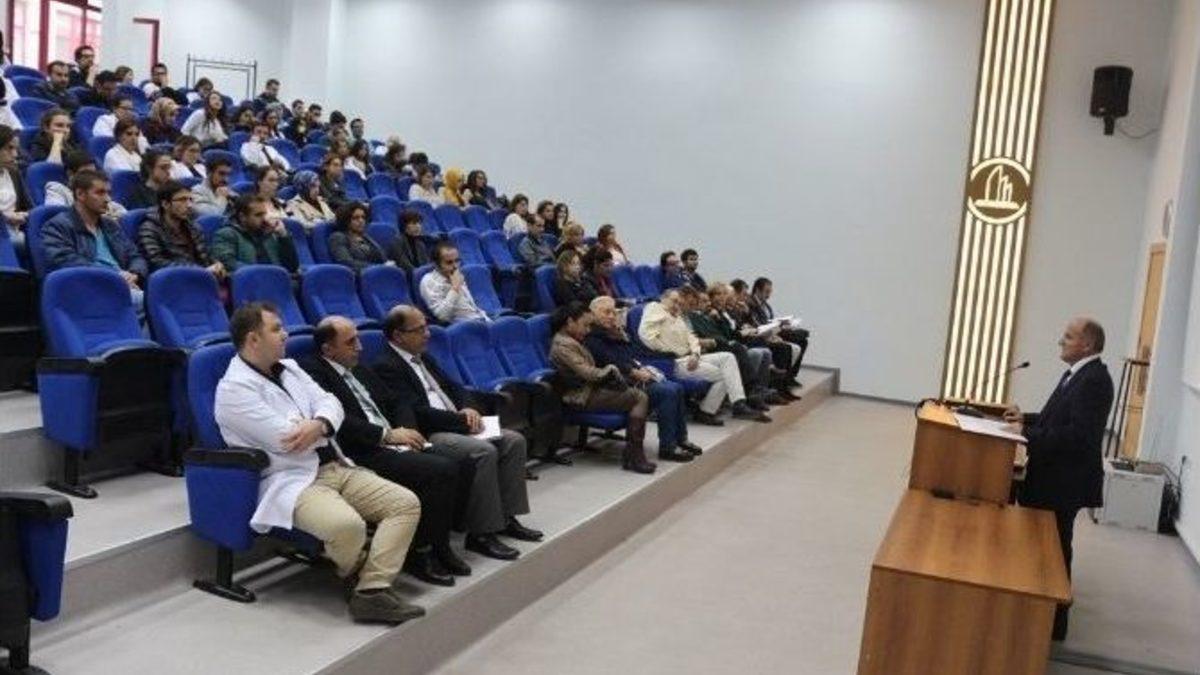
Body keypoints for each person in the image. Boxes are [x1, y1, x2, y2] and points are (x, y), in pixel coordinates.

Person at [214, 303, 425, 624]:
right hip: (293, 480)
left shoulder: (290, 368)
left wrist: (320, 423)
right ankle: (360, 572)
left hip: (334, 465)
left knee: (405, 504)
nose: (285, 334)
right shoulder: (233, 391)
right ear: (253, 339)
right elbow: (286, 439)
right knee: (347, 526)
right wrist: (324, 424)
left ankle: (371, 590)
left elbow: (331, 402)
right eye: (276, 329)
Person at [300, 316, 472, 586]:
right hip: (362, 449)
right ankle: (421, 552)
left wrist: (406, 429)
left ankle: (440, 543)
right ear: (328, 349)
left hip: (393, 440)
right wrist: (386, 435)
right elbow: (340, 422)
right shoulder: (314, 373)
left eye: (358, 339)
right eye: (350, 342)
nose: (359, 347)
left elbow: (397, 401)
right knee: (440, 470)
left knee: (463, 461)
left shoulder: (358, 368)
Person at [373, 305, 541, 560]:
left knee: (513, 441)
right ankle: (481, 533)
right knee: (482, 452)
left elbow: (456, 387)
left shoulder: (423, 357)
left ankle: (506, 518)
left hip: (456, 421)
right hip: (431, 431)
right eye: (419, 329)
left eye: (426, 327)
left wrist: (468, 407)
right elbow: (416, 412)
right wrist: (461, 421)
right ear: (398, 335)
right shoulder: (386, 366)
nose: (428, 334)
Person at [1003, 318, 1114, 642]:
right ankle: (1042, 614)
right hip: (1053, 477)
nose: (1060, 341)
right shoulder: (1077, 374)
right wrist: (1025, 419)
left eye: (1068, 337)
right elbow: (1056, 419)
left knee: (1054, 551)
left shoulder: (1093, 381)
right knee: (1047, 548)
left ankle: (1054, 623)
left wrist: (1026, 433)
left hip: (1064, 482)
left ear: (1087, 345)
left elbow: (1078, 437)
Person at [586, 296, 701, 462]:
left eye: (614, 312)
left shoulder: (613, 333)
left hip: (631, 375)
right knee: (667, 391)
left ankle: (681, 439)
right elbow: (607, 360)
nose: (611, 316)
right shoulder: (592, 337)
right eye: (606, 312)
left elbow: (630, 355)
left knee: (677, 388)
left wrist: (623, 340)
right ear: (593, 314)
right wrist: (633, 371)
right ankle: (668, 447)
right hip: (616, 383)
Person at [548, 302, 657, 473]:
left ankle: (633, 454)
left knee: (637, 394)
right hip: (581, 396)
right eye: (585, 325)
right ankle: (634, 455)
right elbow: (588, 373)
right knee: (639, 397)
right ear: (570, 322)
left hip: (590, 390)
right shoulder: (563, 346)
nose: (588, 330)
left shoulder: (572, 340)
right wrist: (610, 369)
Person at [638, 289, 770, 423]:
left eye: (679, 303)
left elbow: (692, 338)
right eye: (674, 301)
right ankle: (707, 411)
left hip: (690, 357)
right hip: (673, 361)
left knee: (728, 357)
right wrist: (669, 348)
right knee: (725, 374)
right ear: (663, 299)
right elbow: (646, 336)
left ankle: (738, 403)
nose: (677, 305)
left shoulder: (677, 317)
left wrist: (695, 354)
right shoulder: (654, 310)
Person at [41, 170, 148, 314]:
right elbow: (66, 261)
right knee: (153, 303)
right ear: (80, 194)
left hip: (124, 285)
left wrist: (134, 274)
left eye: (108, 193)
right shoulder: (57, 226)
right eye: (100, 193)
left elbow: (135, 256)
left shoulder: (110, 225)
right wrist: (115, 275)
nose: (108, 199)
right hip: (91, 288)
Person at [687, 285, 781, 407]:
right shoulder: (696, 317)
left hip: (724, 343)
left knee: (758, 349)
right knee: (742, 348)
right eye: (704, 301)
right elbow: (718, 335)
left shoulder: (712, 315)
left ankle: (758, 390)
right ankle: (751, 391)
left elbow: (725, 333)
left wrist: (721, 319)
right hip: (713, 347)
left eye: (724, 294)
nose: (708, 303)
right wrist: (725, 334)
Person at [136, 180, 225, 279]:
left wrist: (216, 264)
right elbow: (157, 263)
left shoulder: (193, 226)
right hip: (175, 281)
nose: (189, 205)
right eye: (182, 200)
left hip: (202, 277)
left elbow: (206, 254)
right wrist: (200, 271)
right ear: (165, 204)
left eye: (190, 200)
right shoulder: (149, 229)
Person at [210, 195, 300, 274]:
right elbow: (228, 263)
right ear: (242, 217)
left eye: (264, 214)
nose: (264, 218)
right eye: (258, 215)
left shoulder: (269, 233)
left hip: (277, 281)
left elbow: (292, 267)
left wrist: (283, 236)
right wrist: (262, 274)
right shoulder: (227, 234)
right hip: (251, 284)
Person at [748, 277, 809, 383]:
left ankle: (791, 376)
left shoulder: (766, 305)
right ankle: (781, 382)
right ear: (757, 290)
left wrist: (780, 324)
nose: (768, 295)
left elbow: (769, 320)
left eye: (770, 292)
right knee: (784, 347)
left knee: (803, 341)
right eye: (766, 292)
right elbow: (756, 324)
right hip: (764, 334)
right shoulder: (751, 304)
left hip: (773, 330)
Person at [43, 150, 127, 219]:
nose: (91, 178)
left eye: (93, 173)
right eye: (86, 174)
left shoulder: (96, 192)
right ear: (70, 174)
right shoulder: (56, 189)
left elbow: (122, 212)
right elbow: (57, 213)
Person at [420, 240, 489, 323]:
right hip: (463, 326)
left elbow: (470, 307)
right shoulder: (429, 281)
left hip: (480, 319)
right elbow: (442, 316)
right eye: (449, 262)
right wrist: (455, 288)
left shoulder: (456, 275)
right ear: (436, 264)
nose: (455, 266)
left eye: (457, 261)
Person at [329, 201, 388, 273]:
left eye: (363, 217)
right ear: (346, 220)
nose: (361, 221)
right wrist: (377, 268)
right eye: (355, 218)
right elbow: (346, 263)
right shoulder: (338, 237)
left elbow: (381, 257)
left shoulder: (366, 237)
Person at [0, 125, 31, 254]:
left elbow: (29, 207)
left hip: (15, 230)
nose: (15, 154)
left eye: (16, 149)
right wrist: (5, 217)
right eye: (9, 148)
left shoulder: (13, 173)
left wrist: (25, 215)